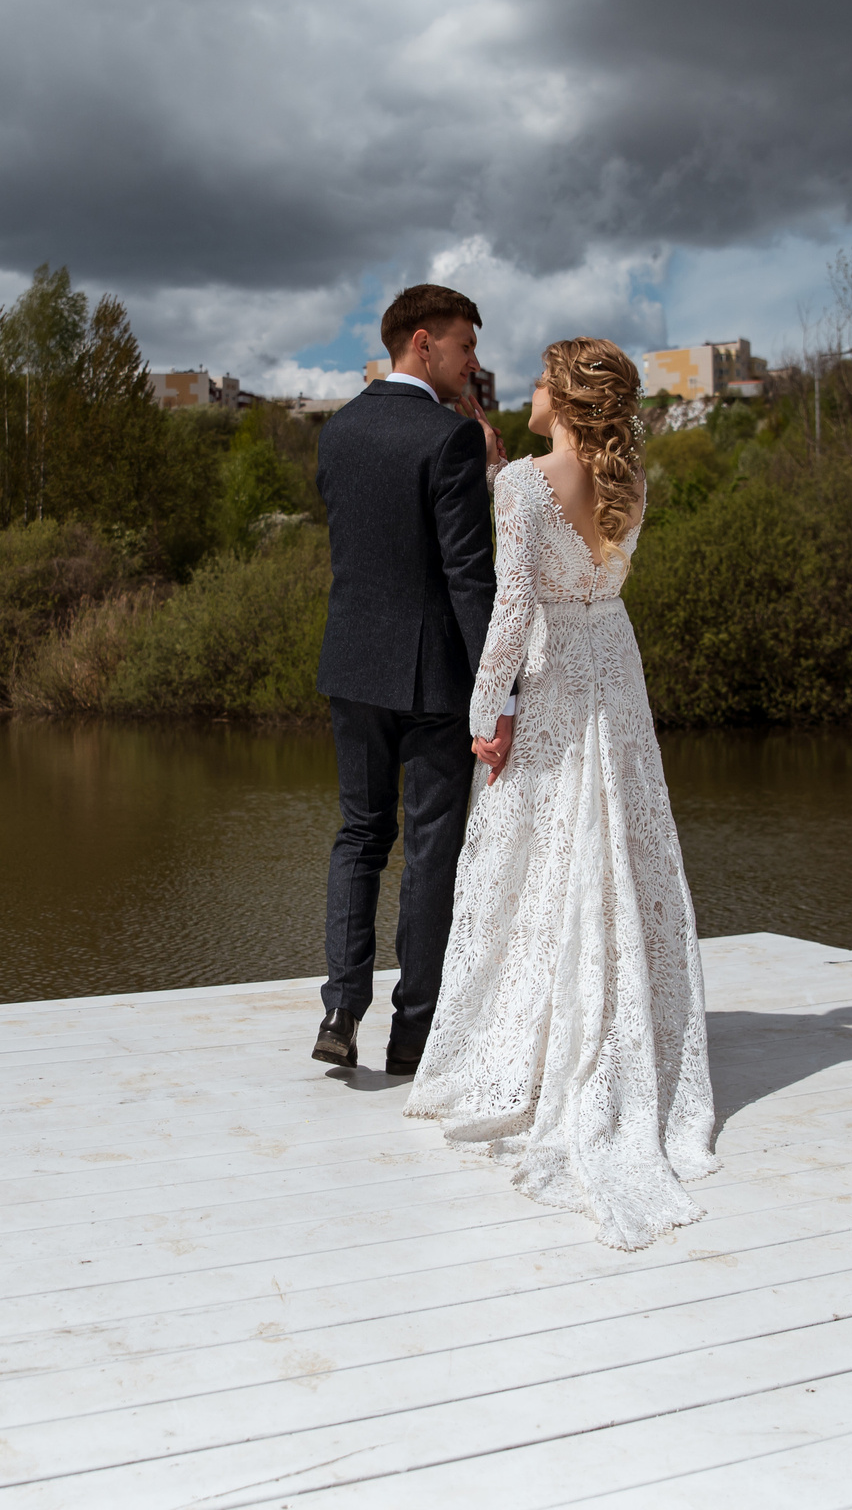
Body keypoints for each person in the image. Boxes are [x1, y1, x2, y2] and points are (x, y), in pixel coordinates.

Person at [404, 337, 718, 1250]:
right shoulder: (630, 486)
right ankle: (611, 1024)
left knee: (530, 853)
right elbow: (586, 571)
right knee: (612, 839)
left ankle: (533, 1047)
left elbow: (510, 610)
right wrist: (513, 477)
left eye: (541, 380)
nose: (527, 390)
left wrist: (481, 709)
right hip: (612, 669)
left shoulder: (524, 488)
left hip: (550, 671)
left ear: (565, 398)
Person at [310, 283, 506, 1076]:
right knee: (430, 853)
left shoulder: (337, 432)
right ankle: (411, 1035)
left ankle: (339, 1009)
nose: (473, 363)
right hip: (432, 680)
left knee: (360, 835)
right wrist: (500, 688)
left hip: (352, 666)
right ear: (423, 344)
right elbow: (468, 575)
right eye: (465, 346)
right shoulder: (448, 439)